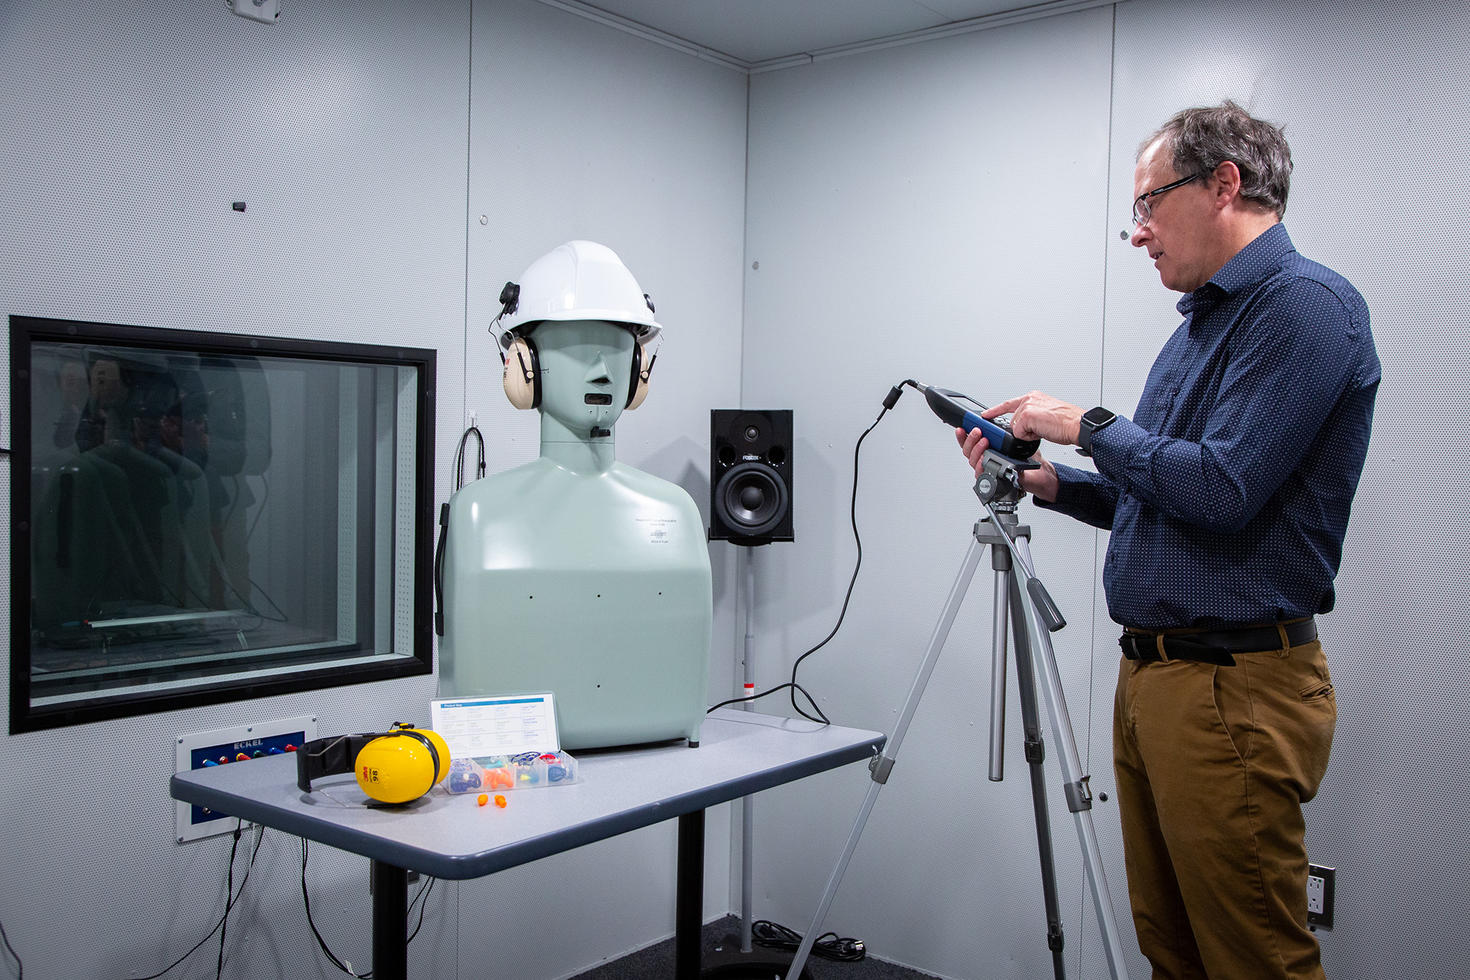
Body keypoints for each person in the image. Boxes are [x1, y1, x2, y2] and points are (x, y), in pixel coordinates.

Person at [957, 101, 1379, 979]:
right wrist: (1053, 483)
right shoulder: (1201, 324)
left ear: (1224, 184)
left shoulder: (1305, 308)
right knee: (1172, 945)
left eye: (1150, 204)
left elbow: (1222, 488)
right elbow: (1162, 495)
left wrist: (1087, 424)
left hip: (1231, 689)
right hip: (1159, 678)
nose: (1140, 233)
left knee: (1253, 957)